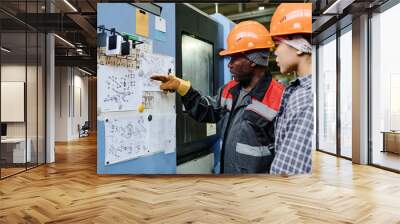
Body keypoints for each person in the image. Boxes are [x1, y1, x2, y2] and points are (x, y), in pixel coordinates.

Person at [151, 21, 285, 174]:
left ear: (252, 59)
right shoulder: (230, 90)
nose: (229, 65)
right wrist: (182, 87)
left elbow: (286, 157)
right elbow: (207, 110)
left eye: (234, 58)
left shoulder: (280, 98)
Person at [268, 3, 314, 175]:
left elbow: (286, 173)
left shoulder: (306, 99)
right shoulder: (297, 91)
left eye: (278, 44)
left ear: (300, 46)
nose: (275, 53)